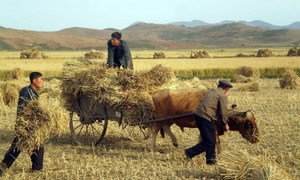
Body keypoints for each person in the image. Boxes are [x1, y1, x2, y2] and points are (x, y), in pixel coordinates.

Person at [0, 72, 44, 176]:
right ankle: (36, 169)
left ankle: (4, 166)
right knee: (30, 145)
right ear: (34, 80)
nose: (42, 81)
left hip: (29, 125)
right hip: (25, 125)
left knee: (27, 145)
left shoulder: (33, 92)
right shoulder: (26, 92)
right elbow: (25, 109)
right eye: (41, 79)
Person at [184, 80, 233, 165]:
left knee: (211, 139)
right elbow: (224, 112)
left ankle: (210, 160)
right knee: (209, 141)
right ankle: (189, 152)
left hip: (198, 115)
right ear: (226, 89)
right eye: (227, 90)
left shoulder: (211, 91)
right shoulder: (222, 95)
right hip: (205, 117)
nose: (227, 92)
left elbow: (212, 105)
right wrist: (225, 123)